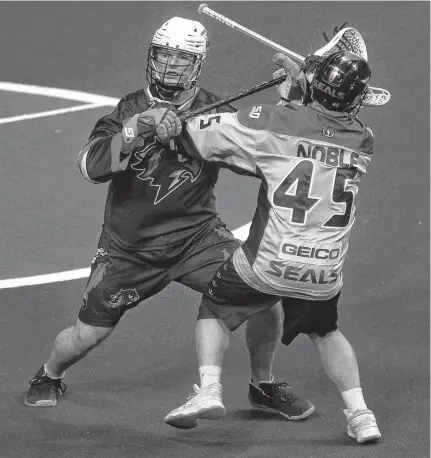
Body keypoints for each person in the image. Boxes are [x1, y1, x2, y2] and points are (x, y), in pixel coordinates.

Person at [24, 17, 315, 423]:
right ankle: (50, 374)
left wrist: (292, 104)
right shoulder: (129, 109)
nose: (170, 66)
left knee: (263, 297)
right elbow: (90, 166)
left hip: (198, 239)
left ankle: (262, 385)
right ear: (151, 57)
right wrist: (138, 128)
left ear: (197, 64)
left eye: (182, 59)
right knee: (86, 335)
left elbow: (266, 156)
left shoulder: (214, 114)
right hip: (130, 251)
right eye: (163, 56)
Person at [152, 50, 382, 443]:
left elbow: (196, 135)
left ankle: (208, 388)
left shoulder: (271, 122)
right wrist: (300, 93)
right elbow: (316, 132)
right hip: (323, 272)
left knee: (214, 308)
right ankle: (360, 413)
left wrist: (169, 125)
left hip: (268, 263)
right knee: (327, 332)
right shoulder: (363, 140)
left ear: (316, 88)